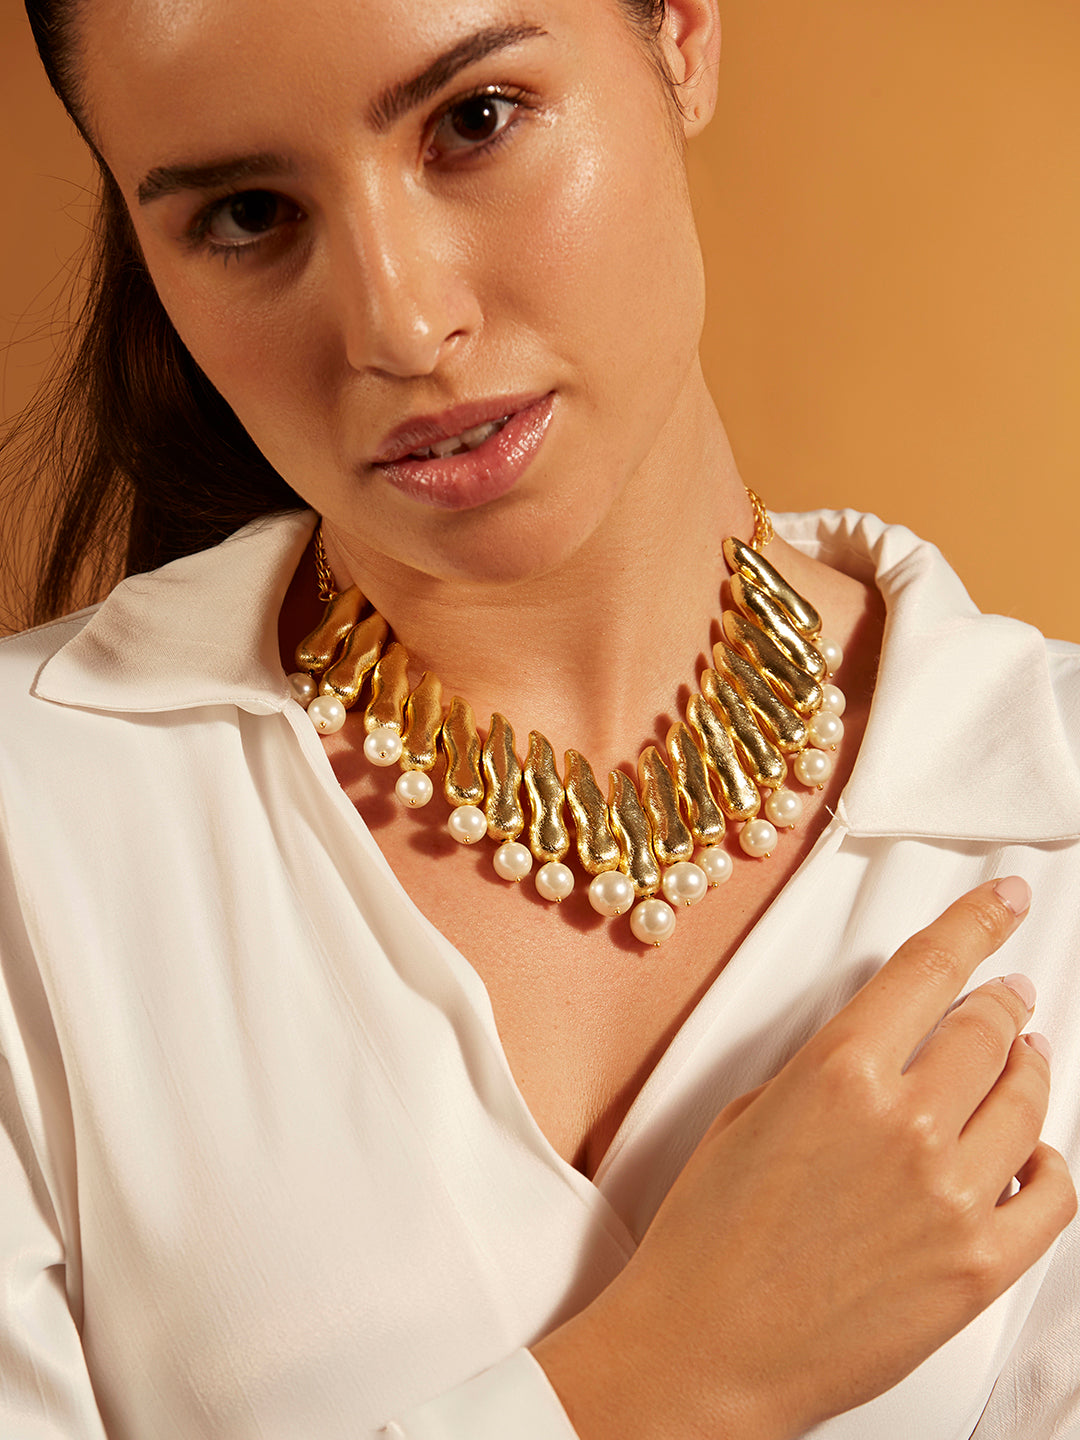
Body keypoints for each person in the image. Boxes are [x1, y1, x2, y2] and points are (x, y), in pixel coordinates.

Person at [2, 0, 1078, 1436]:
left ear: (680, 33)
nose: (401, 324)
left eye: (476, 121)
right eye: (249, 214)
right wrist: (685, 1370)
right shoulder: (34, 825)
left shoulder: (1052, 804)